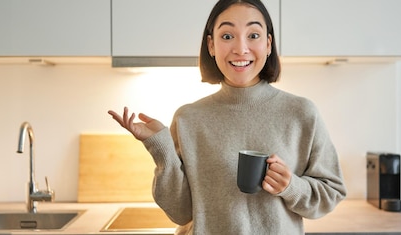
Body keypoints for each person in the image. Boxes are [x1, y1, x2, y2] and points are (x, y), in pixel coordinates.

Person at [108, 0, 346, 234]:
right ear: (211, 45)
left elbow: (331, 193)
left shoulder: (302, 113)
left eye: (253, 35)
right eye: (227, 36)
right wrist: (160, 147)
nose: (241, 49)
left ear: (268, 44)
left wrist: (291, 186)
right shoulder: (188, 118)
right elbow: (180, 213)